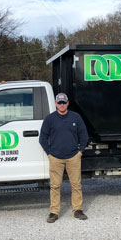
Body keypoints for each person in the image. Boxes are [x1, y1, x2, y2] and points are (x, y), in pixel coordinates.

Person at [39, 93, 89, 223]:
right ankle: (54, 212)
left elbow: (84, 135)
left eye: (64, 102)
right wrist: (49, 153)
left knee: (76, 185)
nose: (62, 105)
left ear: (67, 103)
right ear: (55, 104)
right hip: (55, 158)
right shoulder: (50, 119)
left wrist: (80, 151)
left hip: (73, 157)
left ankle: (77, 210)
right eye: (59, 103)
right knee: (55, 186)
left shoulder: (75, 117)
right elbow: (42, 138)